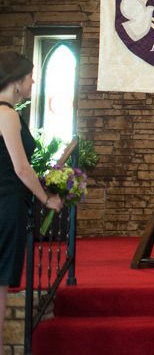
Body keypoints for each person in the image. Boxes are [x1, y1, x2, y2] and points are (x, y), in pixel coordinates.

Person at [0, 52, 63, 342]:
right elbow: (21, 167)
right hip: (7, 202)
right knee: (0, 283)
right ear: (16, 82)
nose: (33, 81)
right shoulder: (7, 114)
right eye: (30, 77)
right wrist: (46, 198)